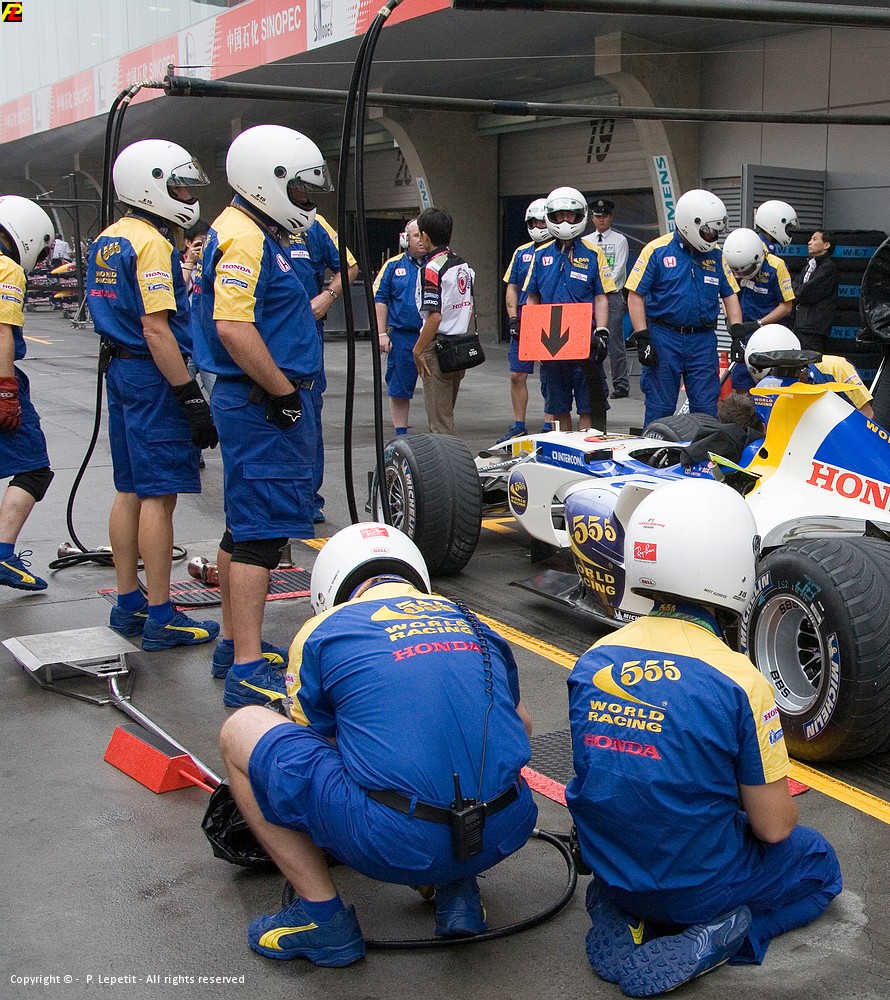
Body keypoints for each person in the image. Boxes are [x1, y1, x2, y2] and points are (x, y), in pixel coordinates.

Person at [567, 478, 841, 997]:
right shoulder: (739, 681)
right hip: (697, 886)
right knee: (819, 863)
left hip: (612, 870)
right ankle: (722, 934)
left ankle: (627, 913)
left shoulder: (592, 659)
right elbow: (774, 828)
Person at [219, 522, 538, 966]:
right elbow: (520, 726)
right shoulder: (473, 621)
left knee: (241, 728)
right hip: (503, 827)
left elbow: (319, 744)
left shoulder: (323, 630)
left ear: (329, 587)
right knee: (457, 740)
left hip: (395, 842)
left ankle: (322, 920)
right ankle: (458, 891)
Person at [196, 123, 332, 705]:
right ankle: (247, 667)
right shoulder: (245, 238)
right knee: (260, 535)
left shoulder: (249, 230)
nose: (305, 200)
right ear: (266, 181)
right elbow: (232, 327)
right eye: (299, 189)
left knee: (242, 527)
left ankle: (234, 644)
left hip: (256, 400)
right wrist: (282, 394)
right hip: (260, 404)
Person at [86, 139, 221, 648]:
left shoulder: (108, 238)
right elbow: (157, 328)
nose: (187, 195)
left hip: (121, 372)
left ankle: (129, 603)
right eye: (179, 186)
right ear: (151, 186)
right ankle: (162, 615)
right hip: (152, 375)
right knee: (158, 497)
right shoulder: (151, 245)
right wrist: (189, 395)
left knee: (129, 489)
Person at [625, 189, 742, 425]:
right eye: (708, 231)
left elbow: (730, 295)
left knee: (706, 407)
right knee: (660, 407)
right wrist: (642, 337)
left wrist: (737, 333)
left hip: (702, 340)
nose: (712, 237)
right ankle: (656, 446)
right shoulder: (656, 250)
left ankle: (702, 447)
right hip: (664, 337)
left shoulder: (716, 256)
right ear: (690, 223)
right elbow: (635, 294)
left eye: (716, 232)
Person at [286, 207, 359, 522]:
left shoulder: (314, 225)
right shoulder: (243, 225)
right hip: (258, 332)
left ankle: (307, 499)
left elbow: (350, 266)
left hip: (304, 336)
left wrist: (328, 295)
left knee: (306, 415)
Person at [0, 195, 56, 592]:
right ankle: (3, 554)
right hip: (1, 378)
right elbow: (2, 331)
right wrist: (6, 391)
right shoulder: (6, 268)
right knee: (34, 467)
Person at [524, 186, 614, 431]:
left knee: (588, 406)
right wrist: (531, 336)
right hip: (551, 345)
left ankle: (585, 446)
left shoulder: (594, 254)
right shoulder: (540, 255)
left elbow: (601, 297)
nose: (565, 220)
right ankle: (562, 447)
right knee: (557, 406)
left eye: (571, 215)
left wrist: (602, 331)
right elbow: (532, 297)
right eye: (559, 215)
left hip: (585, 344)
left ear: (580, 216)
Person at [411, 207, 476, 437]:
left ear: (426, 236)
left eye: (419, 233)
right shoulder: (462, 264)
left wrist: (418, 350)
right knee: (446, 414)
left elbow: (435, 315)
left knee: (439, 424)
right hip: (459, 345)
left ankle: (445, 459)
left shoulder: (431, 268)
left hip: (437, 347)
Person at [743, 323, 873, 421]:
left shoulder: (838, 368)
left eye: (774, 374)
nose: (774, 383)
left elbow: (866, 415)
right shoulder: (767, 387)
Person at [722, 227, 795, 392]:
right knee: (740, 387)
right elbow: (727, 296)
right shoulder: (731, 265)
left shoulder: (776, 266)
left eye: (746, 270)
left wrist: (758, 323)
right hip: (743, 334)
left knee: (771, 387)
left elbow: (786, 307)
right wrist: (730, 321)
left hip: (771, 336)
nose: (742, 274)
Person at [501, 199, 549, 440]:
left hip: (550, 318)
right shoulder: (521, 253)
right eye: (533, 222)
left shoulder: (560, 250)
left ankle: (550, 424)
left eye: (542, 222)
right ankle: (519, 424)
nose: (538, 226)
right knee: (517, 374)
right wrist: (513, 319)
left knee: (551, 376)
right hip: (523, 317)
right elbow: (512, 286)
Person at [373, 219, 422, 444]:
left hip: (433, 335)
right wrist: (381, 333)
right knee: (399, 386)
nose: (421, 241)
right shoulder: (393, 266)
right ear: (405, 239)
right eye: (416, 235)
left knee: (438, 387)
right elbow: (380, 299)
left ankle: (440, 431)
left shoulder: (439, 263)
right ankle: (401, 434)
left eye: (424, 235)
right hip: (403, 334)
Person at [584, 198, 632, 399]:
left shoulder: (620, 240)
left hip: (611, 295)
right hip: (590, 296)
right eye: (597, 216)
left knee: (614, 342)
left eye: (604, 216)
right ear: (592, 218)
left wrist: (600, 287)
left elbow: (619, 270)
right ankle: (590, 381)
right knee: (587, 339)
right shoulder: (586, 241)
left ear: (610, 217)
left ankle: (621, 384)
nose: (601, 219)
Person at [792, 229, 837, 354]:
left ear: (826, 245)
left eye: (814, 239)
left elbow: (806, 293)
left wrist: (797, 290)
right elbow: (794, 286)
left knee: (812, 361)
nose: (809, 242)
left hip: (813, 329)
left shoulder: (828, 268)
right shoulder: (809, 265)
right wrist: (797, 289)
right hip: (800, 325)